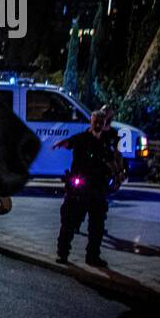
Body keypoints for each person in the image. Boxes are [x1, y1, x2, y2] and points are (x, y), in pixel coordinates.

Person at [54, 110, 122, 268]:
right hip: (80, 189)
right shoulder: (82, 138)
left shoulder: (106, 142)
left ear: (104, 123)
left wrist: (117, 176)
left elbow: (112, 160)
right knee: (69, 222)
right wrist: (60, 144)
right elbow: (68, 142)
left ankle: (93, 256)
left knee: (97, 225)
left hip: (98, 189)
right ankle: (62, 253)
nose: (98, 124)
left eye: (101, 122)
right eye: (95, 121)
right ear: (91, 122)